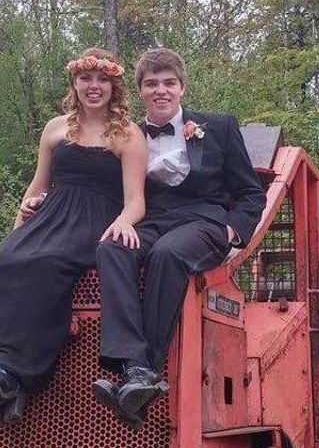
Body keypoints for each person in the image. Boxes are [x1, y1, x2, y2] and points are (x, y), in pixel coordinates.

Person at [0, 48, 147, 425]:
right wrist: (15, 233)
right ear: (74, 83)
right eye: (85, 78)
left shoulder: (128, 133)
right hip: (50, 217)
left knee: (43, 265)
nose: (93, 86)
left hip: (94, 221)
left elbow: (136, 200)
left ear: (114, 86)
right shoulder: (55, 128)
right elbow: (37, 186)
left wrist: (124, 222)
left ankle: (15, 375)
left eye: (102, 79)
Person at [92, 48, 266, 427]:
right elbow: (100, 186)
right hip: (151, 221)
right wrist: (45, 199)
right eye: (151, 84)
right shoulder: (127, 135)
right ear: (140, 91)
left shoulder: (218, 126)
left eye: (169, 83)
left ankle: (147, 371)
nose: (161, 91)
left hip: (204, 221)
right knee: (111, 248)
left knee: (168, 255)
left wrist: (233, 230)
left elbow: (251, 193)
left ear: (182, 86)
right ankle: (133, 365)